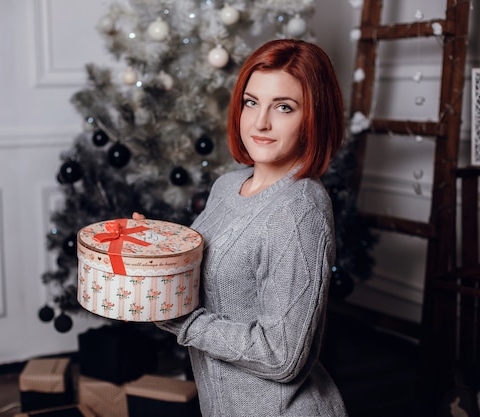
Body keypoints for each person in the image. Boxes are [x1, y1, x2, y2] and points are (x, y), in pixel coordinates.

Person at [135, 38, 347, 416]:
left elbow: (282, 356)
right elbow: (213, 277)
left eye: (284, 107)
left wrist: (181, 319)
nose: (260, 122)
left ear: (314, 116)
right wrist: (154, 248)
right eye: (252, 102)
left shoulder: (299, 210)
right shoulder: (228, 186)